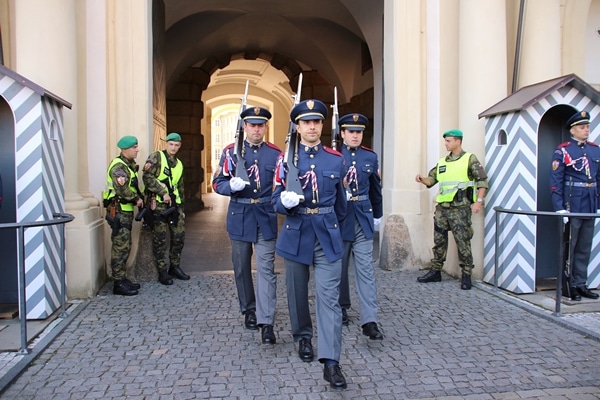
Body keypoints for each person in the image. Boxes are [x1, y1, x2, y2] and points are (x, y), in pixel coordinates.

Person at [272, 99, 348, 390]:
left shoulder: (335, 159)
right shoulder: (286, 159)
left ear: (322, 125)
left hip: (326, 235)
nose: (312, 126)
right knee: (297, 293)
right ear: (298, 126)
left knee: (329, 299)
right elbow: (274, 197)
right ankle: (303, 336)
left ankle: (331, 362)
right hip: (296, 231)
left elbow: (341, 205)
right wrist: (284, 203)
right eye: (306, 122)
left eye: (317, 122)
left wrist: (333, 226)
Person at [212, 106, 281, 344]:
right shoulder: (231, 152)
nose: (256, 129)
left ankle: (266, 320)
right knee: (241, 267)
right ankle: (249, 309)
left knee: (266, 269)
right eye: (252, 125)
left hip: (265, 213)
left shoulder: (275, 153)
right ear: (244, 126)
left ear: (265, 127)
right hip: (240, 213)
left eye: (261, 125)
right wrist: (231, 187)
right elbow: (217, 183)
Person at [415, 129, 488, 290]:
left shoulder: (469, 159)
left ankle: (466, 274)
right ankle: (436, 271)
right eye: (445, 141)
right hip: (443, 208)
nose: (446, 143)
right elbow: (431, 180)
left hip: (460, 208)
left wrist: (479, 201)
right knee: (439, 241)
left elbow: (482, 180)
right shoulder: (443, 162)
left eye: (449, 141)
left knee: (463, 242)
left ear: (458, 141)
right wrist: (422, 179)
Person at [337, 113, 383, 340]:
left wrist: (378, 216)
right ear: (343, 134)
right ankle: (341, 306)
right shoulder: (332, 157)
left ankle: (370, 320)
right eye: (351, 132)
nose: (355, 135)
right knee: (340, 268)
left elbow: (376, 188)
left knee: (365, 269)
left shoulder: (370, 157)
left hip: (363, 218)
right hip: (340, 220)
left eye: (359, 132)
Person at [550, 110, 600, 301]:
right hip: (573, 203)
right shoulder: (563, 150)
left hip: (590, 202)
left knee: (584, 246)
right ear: (573, 130)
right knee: (570, 246)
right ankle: (568, 284)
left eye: (587, 127)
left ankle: (581, 283)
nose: (586, 130)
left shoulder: (595, 150)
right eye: (582, 127)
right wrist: (559, 207)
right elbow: (556, 180)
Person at [142, 132, 190, 285]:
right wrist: (163, 192)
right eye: (171, 144)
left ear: (180, 146)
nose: (173, 147)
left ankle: (174, 267)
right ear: (166, 144)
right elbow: (147, 177)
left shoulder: (179, 163)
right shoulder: (156, 157)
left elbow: (180, 188)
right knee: (160, 239)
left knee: (179, 237)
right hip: (159, 205)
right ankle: (162, 271)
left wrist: (182, 209)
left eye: (176, 145)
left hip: (174, 205)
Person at [102, 135, 143, 296]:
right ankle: (118, 283)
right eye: (134, 147)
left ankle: (122, 278)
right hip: (118, 211)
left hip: (124, 211)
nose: (137, 149)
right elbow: (122, 190)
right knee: (120, 247)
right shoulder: (119, 167)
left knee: (125, 245)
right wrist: (137, 199)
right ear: (125, 150)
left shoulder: (128, 165)